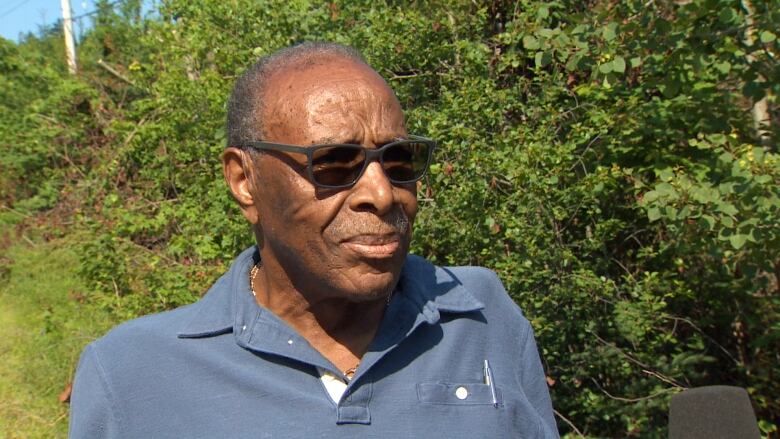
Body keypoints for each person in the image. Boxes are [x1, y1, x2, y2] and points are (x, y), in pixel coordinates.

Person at [69, 42, 559, 438]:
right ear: (245, 181)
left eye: (399, 160)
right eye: (334, 164)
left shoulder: (480, 315)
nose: (382, 194)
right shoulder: (133, 373)